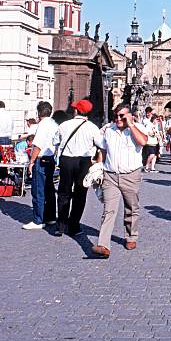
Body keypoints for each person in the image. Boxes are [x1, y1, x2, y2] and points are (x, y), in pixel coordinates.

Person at [92, 103, 148, 258]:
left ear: (129, 115)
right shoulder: (109, 130)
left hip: (131, 175)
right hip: (110, 175)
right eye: (116, 115)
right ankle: (103, 245)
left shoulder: (138, 128)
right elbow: (103, 149)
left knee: (131, 208)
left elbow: (143, 142)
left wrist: (130, 125)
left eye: (122, 116)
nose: (118, 118)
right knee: (108, 210)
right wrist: (98, 166)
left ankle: (131, 236)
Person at [54, 99, 102, 237]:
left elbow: (55, 141)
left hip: (67, 160)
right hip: (84, 161)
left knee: (64, 192)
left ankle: (61, 225)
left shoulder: (64, 125)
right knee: (80, 193)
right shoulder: (92, 127)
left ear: (76, 110)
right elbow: (101, 144)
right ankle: (74, 226)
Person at [22, 101, 58, 230]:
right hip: (50, 158)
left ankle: (38, 220)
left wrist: (31, 162)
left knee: (38, 189)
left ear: (39, 113)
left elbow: (37, 145)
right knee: (49, 189)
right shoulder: (54, 124)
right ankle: (51, 217)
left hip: (41, 158)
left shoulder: (42, 125)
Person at [142, 108, 161, 173]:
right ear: (153, 120)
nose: (157, 121)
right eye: (156, 120)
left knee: (155, 155)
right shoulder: (149, 125)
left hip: (155, 142)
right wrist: (152, 134)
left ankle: (152, 167)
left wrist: (159, 137)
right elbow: (146, 132)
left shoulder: (155, 125)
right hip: (150, 142)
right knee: (151, 154)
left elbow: (157, 132)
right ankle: (147, 166)